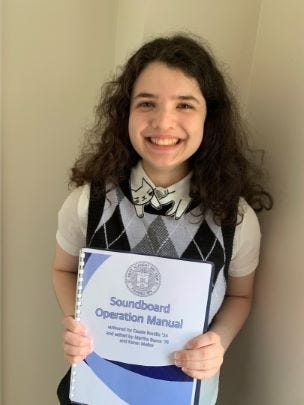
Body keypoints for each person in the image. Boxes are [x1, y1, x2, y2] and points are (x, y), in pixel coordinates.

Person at [52, 34, 272, 405]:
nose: (163, 121)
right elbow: (62, 270)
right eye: (147, 103)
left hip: (182, 392)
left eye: (184, 104)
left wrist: (219, 341)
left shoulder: (235, 218)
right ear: (126, 113)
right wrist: (79, 322)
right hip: (95, 387)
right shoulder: (87, 203)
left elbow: (240, 293)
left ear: (209, 117)